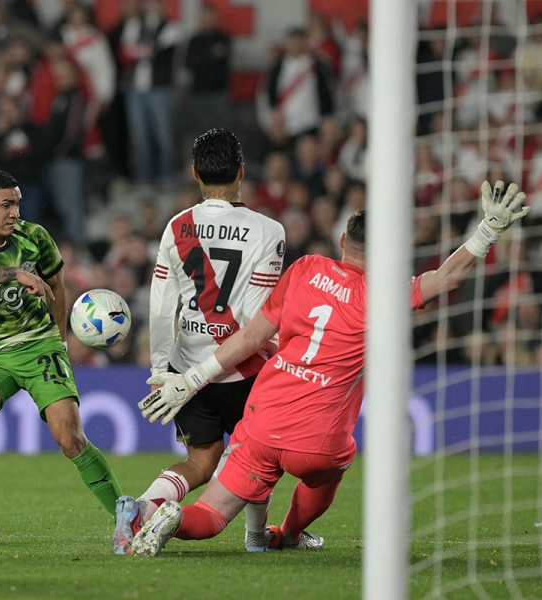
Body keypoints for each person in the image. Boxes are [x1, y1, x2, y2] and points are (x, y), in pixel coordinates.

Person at [126, 180, 529, 555]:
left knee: (211, 516)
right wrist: (487, 231)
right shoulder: (382, 293)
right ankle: (288, 534)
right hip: (318, 440)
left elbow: (250, 338)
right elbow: (447, 279)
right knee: (329, 471)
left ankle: (173, 516)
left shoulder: (305, 269)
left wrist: (191, 378)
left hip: (263, 420)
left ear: (342, 241)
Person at [113, 128, 286, 554]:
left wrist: (161, 371)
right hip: (244, 370)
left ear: (194, 173)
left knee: (200, 460)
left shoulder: (178, 226)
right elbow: (254, 317)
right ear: (242, 170)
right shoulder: (269, 231)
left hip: (185, 369)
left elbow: (161, 306)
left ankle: (141, 509)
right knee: (258, 455)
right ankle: (256, 537)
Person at [0, 168, 122, 539]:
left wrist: (60, 342)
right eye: (7, 205)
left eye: (17, 204)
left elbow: (57, 286)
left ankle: (126, 517)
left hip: (39, 344)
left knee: (69, 438)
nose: (15, 213)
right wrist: (12, 274)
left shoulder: (35, 237)